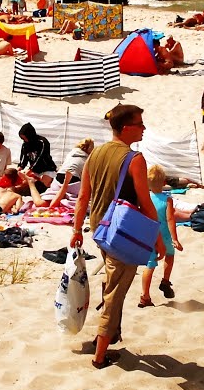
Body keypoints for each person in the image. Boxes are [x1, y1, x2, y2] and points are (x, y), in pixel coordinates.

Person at [70, 104, 163, 370]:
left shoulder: (95, 154)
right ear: (125, 128)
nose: (144, 128)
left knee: (113, 280)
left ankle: (110, 336)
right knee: (115, 291)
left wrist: (77, 230)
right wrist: (156, 239)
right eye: (139, 124)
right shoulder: (134, 159)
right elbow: (146, 204)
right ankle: (100, 355)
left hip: (100, 227)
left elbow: (83, 198)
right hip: (124, 231)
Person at [137, 164, 182, 308]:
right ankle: (165, 281)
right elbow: (170, 219)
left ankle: (145, 296)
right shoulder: (167, 199)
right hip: (164, 235)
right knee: (170, 254)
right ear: (164, 182)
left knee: (150, 265)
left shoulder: (145, 198)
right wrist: (174, 239)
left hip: (149, 235)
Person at [46, 138, 94, 208]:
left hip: (57, 182)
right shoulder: (88, 159)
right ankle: (68, 201)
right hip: (73, 184)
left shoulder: (71, 153)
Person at [17, 122, 57, 187]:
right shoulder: (25, 145)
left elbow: (40, 158)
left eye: (25, 138)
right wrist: (19, 169)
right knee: (23, 185)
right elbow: (23, 159)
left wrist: (30, 170)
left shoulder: (42, 142)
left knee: (43, 185)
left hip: (47, 169)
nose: (24, 140)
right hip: (35, 171)